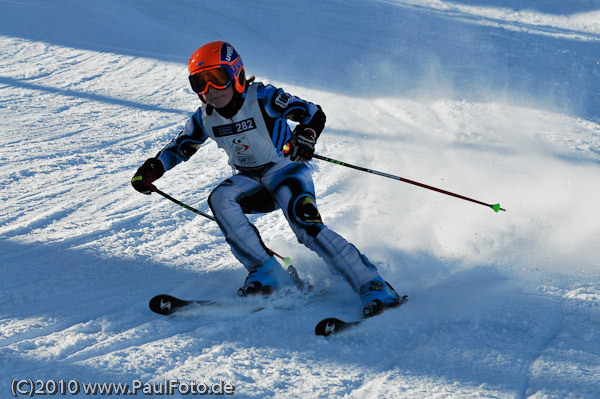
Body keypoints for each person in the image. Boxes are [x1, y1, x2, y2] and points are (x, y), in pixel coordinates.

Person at [131, 41, 400, 316]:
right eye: (199, 83)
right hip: (250, 181)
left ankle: (374, 285)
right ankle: (268, 273)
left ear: (236, 75)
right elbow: (180, 147)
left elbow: (312, 113)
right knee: (220, 197)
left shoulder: (261, 98)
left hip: (286, 171)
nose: (209, 90)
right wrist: (152, 170)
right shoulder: (205, 118)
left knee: (306, 227)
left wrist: (305, 136)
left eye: (217, 78)